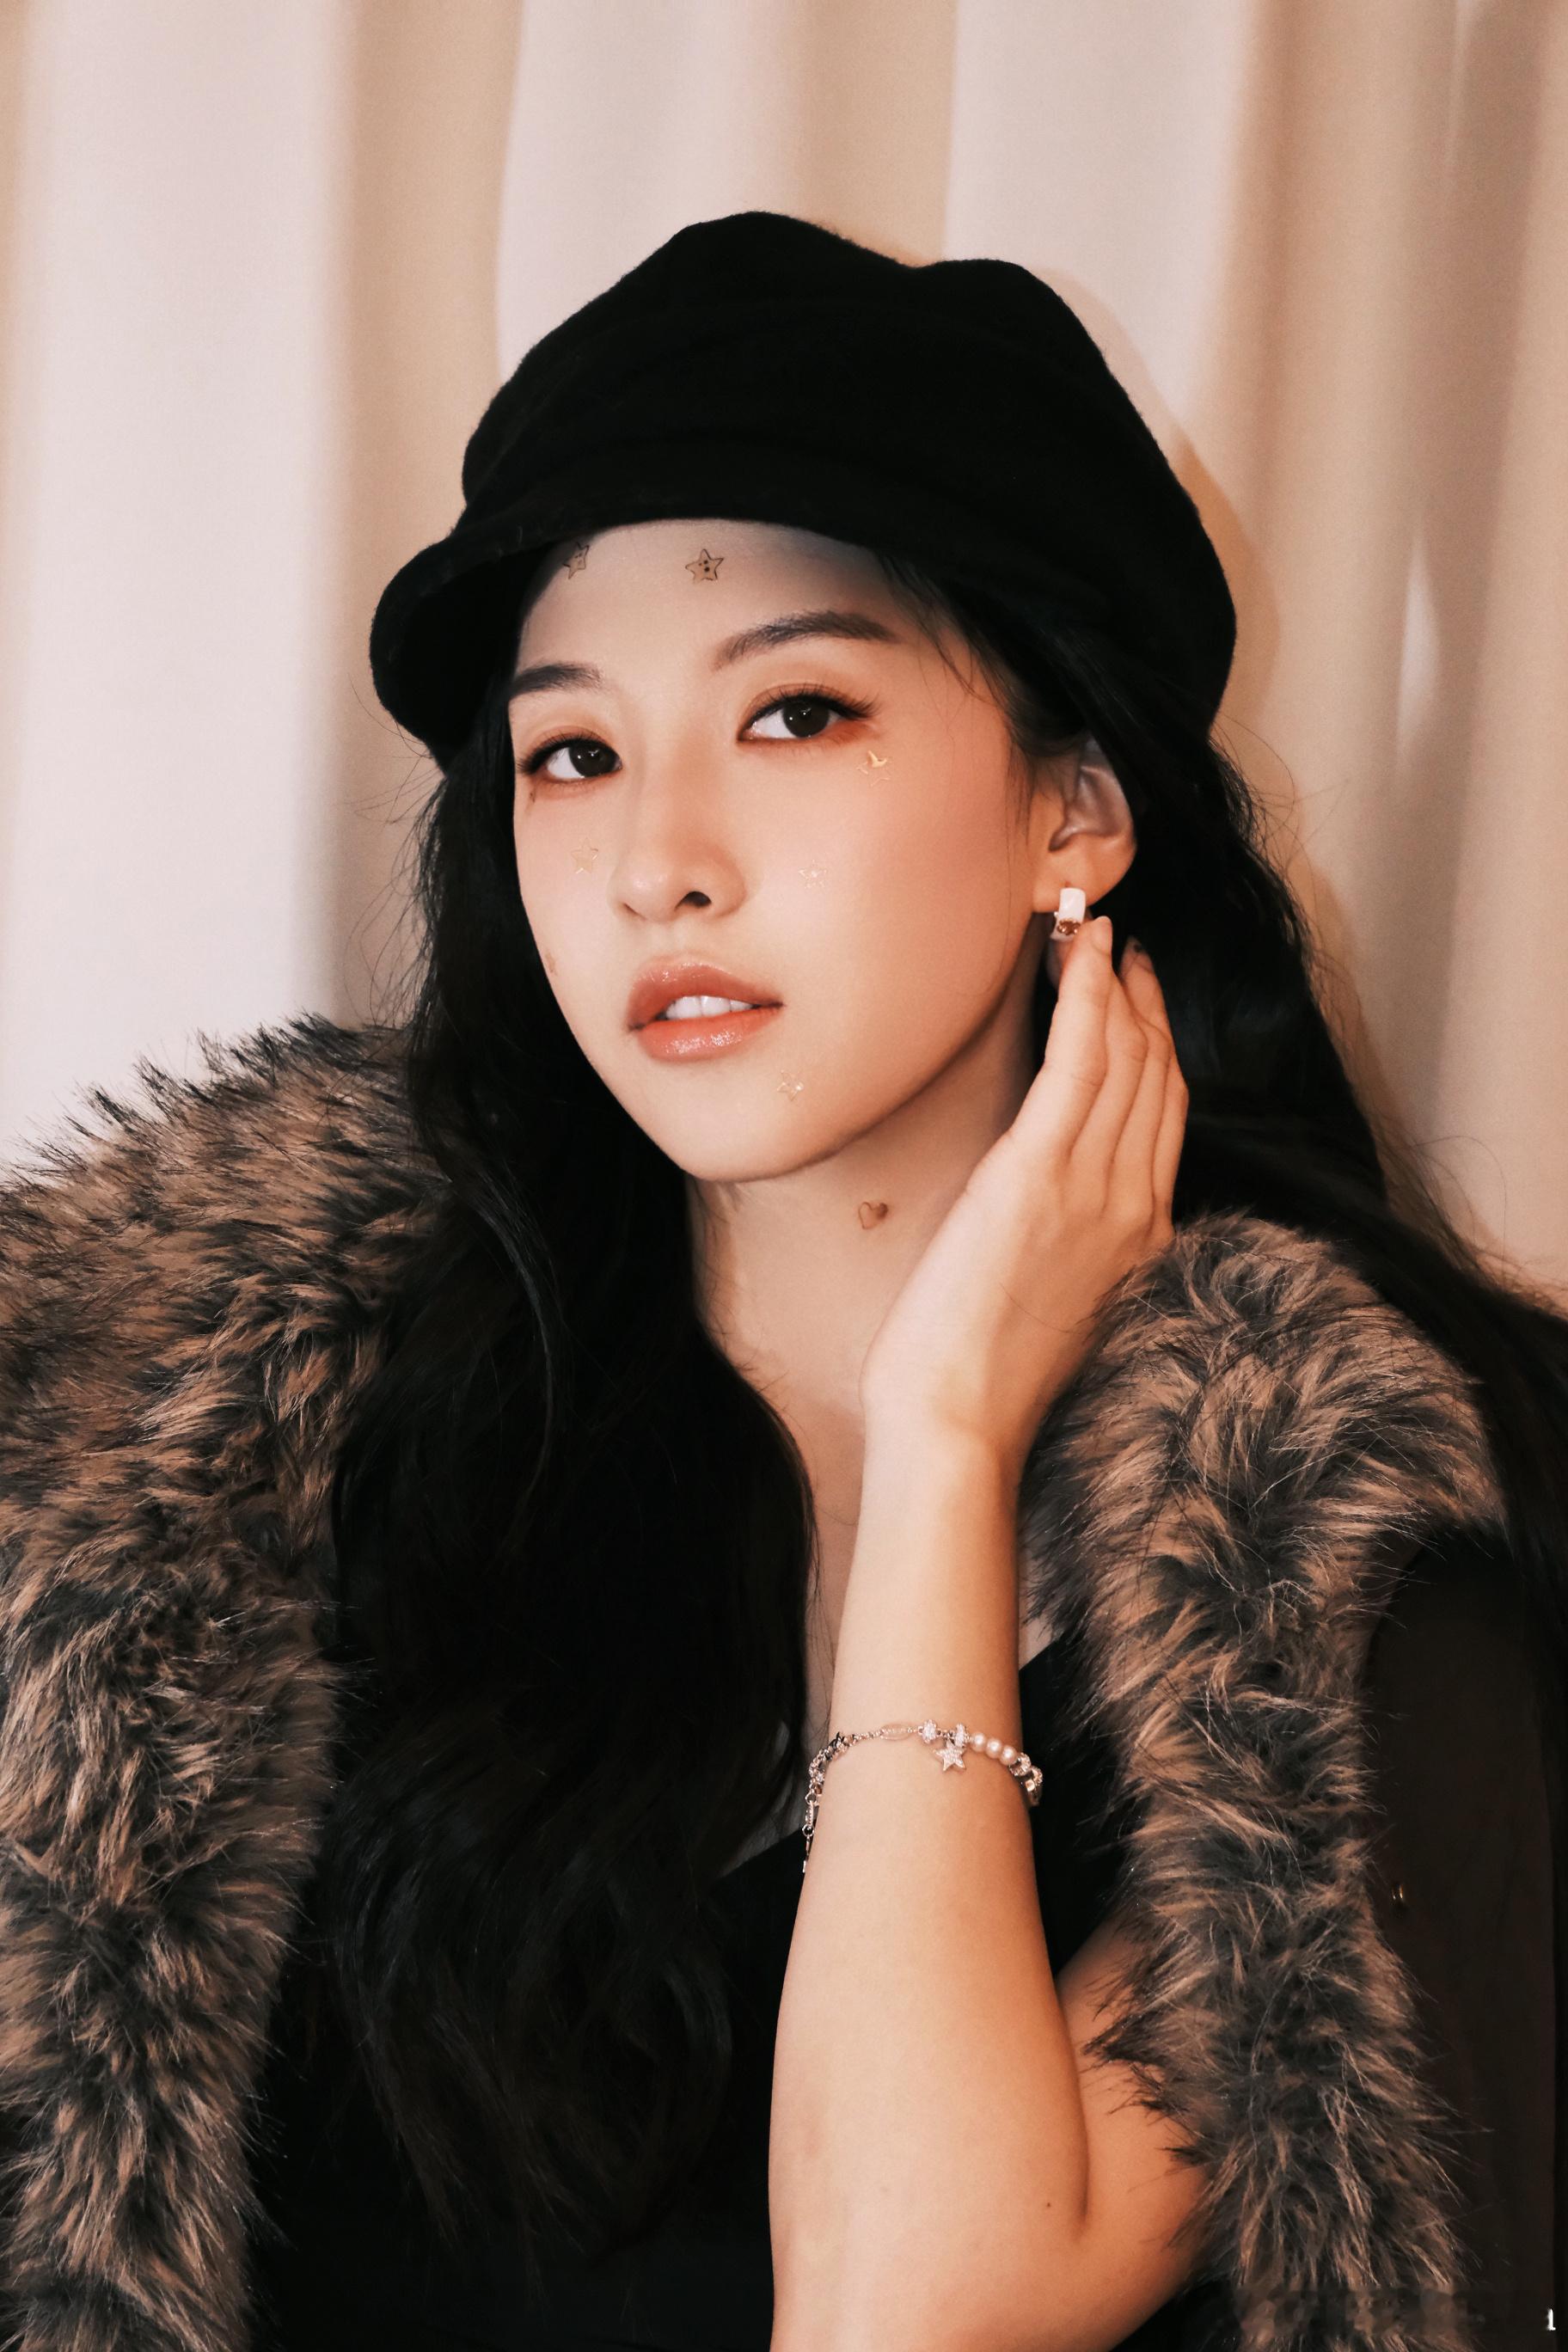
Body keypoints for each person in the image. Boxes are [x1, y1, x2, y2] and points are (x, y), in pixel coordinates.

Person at [0, 210, 1560, 2352]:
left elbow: (908, 2306)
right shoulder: (188, 1457)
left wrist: (946, 1441)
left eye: (798, 712)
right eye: (572, 751)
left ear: (1078, 812)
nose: (659, 863)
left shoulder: (1344, 1558)